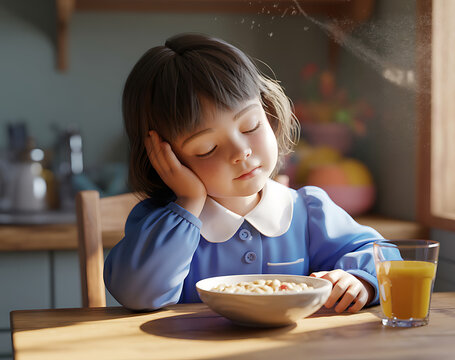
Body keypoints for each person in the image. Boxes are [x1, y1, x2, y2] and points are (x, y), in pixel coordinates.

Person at [104, 33, 384, 313]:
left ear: (268, 113)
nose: (241, 152)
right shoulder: (160, 224)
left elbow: (383, 256)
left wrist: (357, 279)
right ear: (164, 157)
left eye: (250, 126)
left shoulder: (307, 212)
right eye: (207, 148)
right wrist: (188, 201)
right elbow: (137, 294)